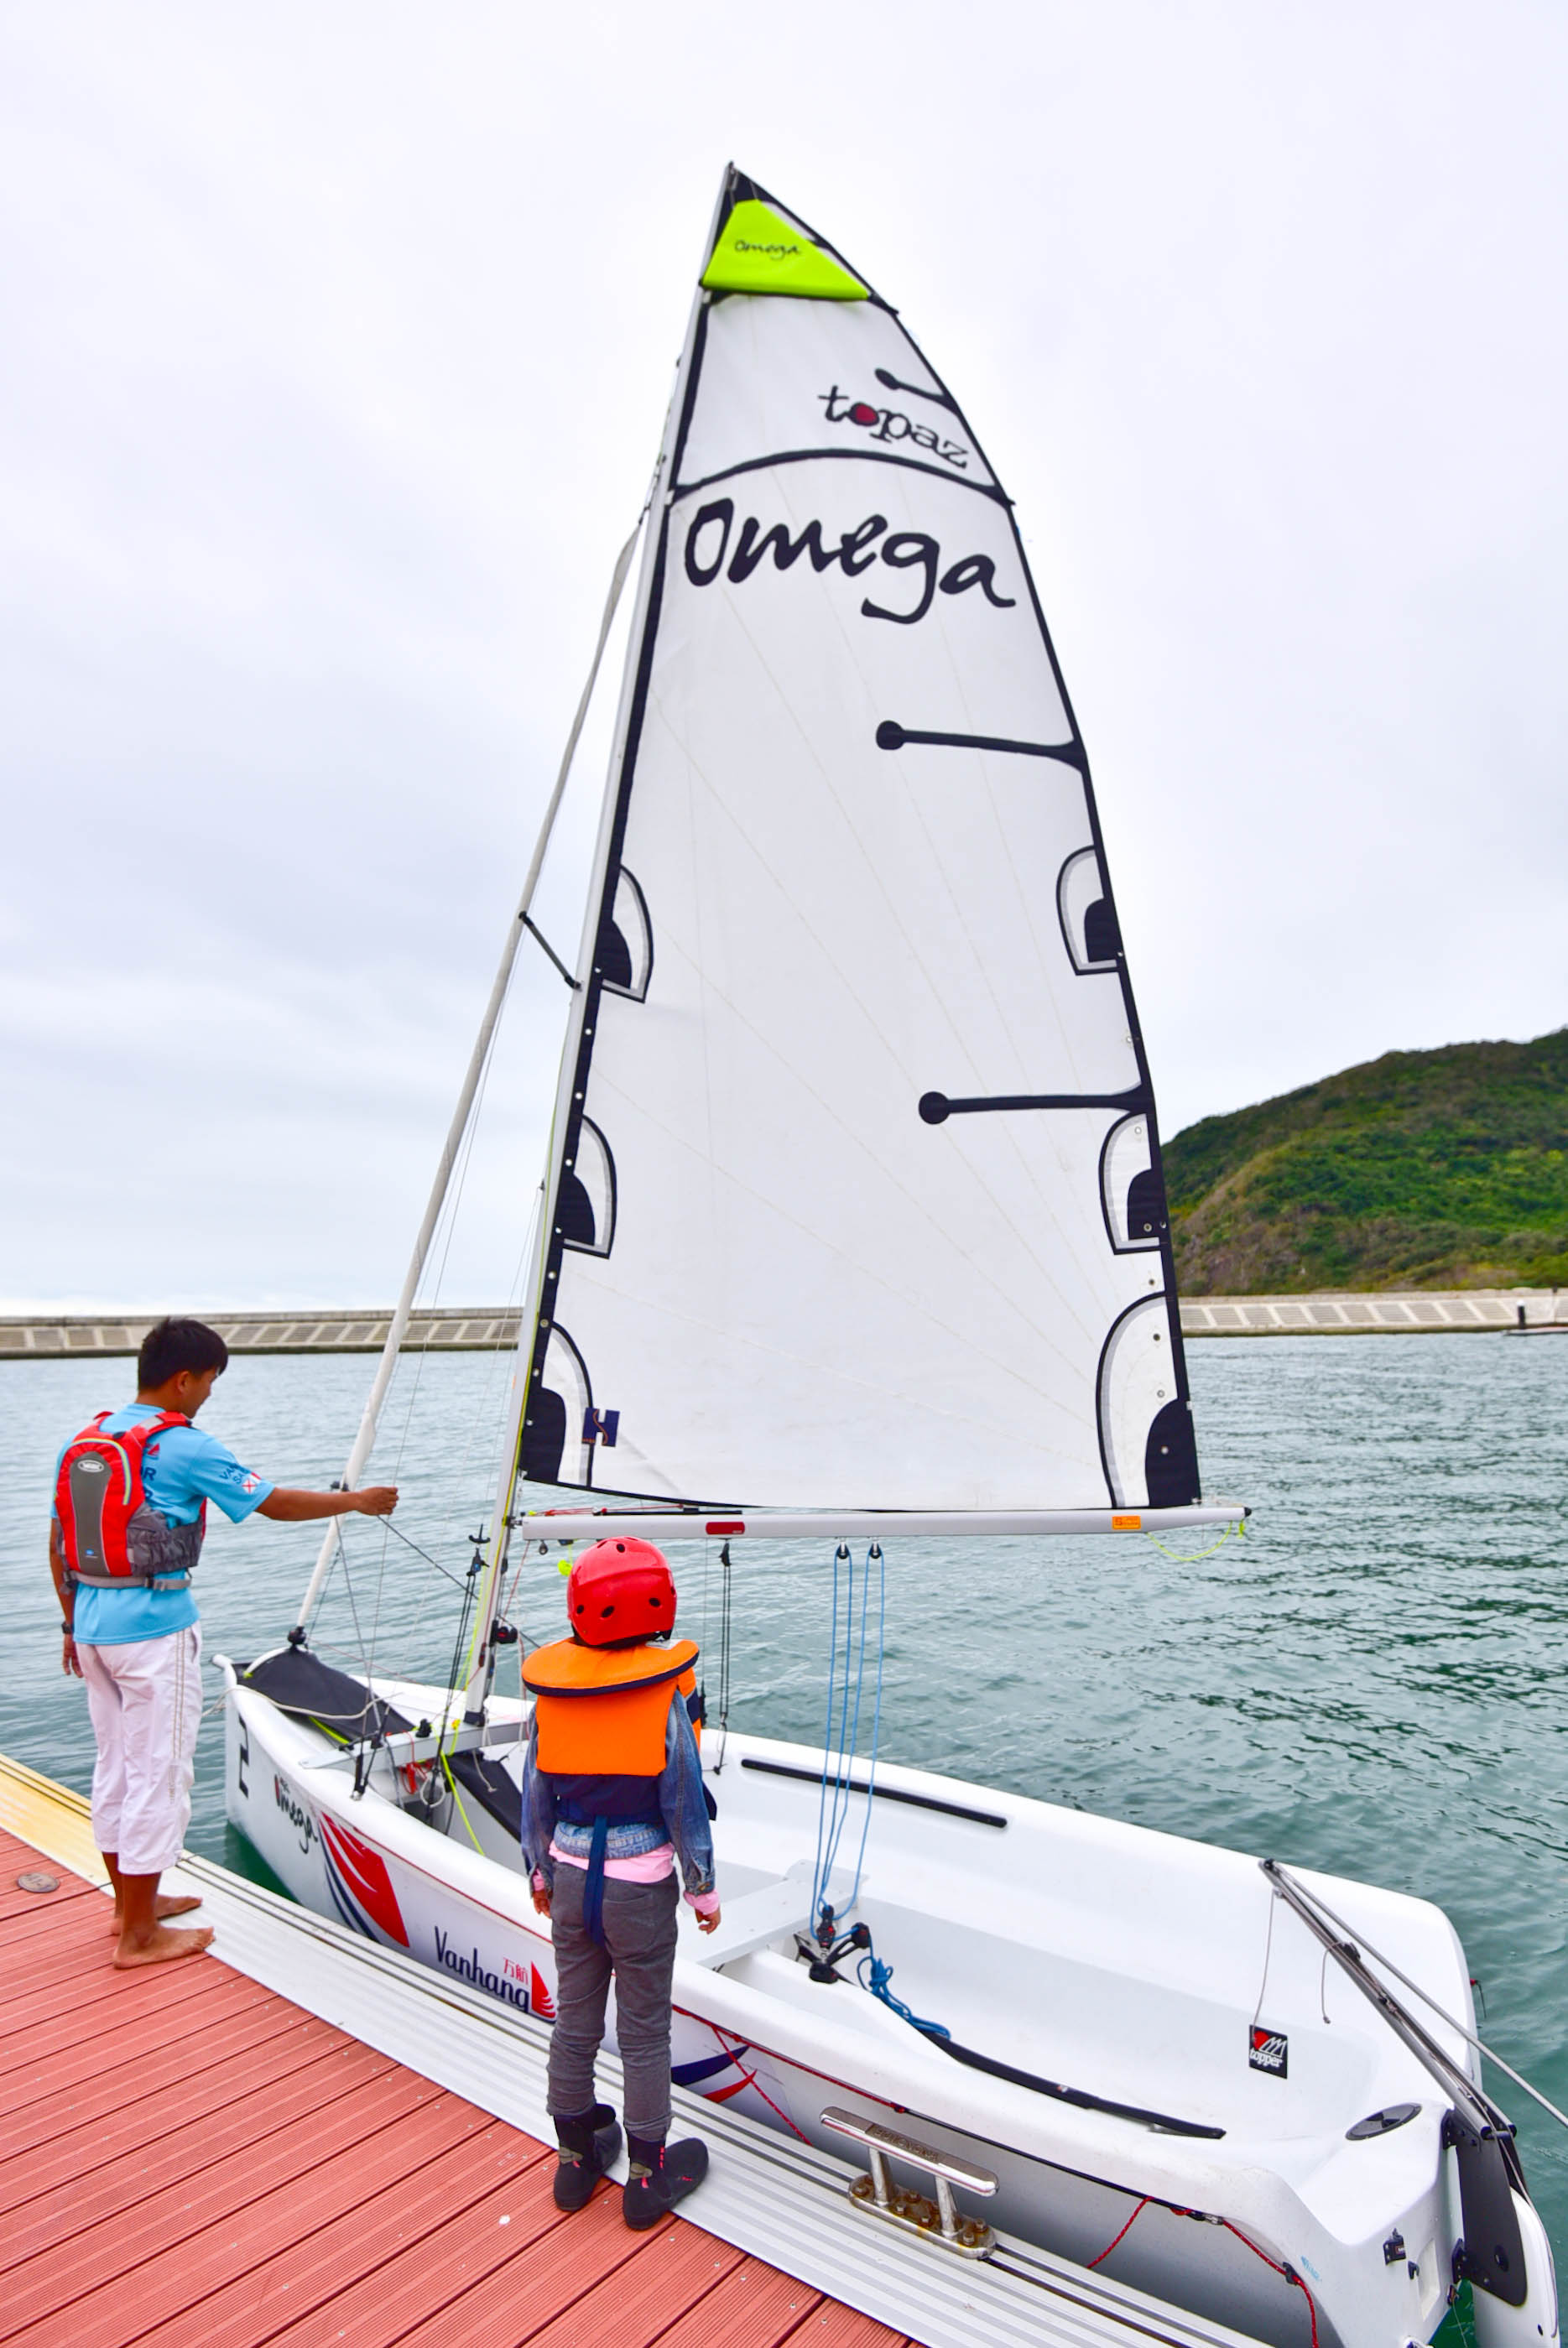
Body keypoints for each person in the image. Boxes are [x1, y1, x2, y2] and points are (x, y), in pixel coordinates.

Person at [50, 1315, 398, 1971]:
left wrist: (72, 1623)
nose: (209, 1393)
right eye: (209, 1381)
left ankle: (131, 1907)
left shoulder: (90, 1437)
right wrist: (355, 1502)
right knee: (161, 1775)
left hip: (92, 1627)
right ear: (184, 1379)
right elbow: (270, 1502)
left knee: (116, 1770)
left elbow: (59, 1542)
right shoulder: (184, 1445)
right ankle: (138, 1939)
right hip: (154, 1631)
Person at [521, 1536, 721, 2229]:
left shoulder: (552, 1695)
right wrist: (701, 1887)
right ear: (659, 1607)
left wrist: (538, 1869)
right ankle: (645, 2172)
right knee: (642, 2033)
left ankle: (575, 2159)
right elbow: (683, 1799)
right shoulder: (664, 1693)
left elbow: (535, 1794)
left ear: (580, 1611)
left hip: (571, 1880)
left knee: (573, 2022)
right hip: (639, 1889)